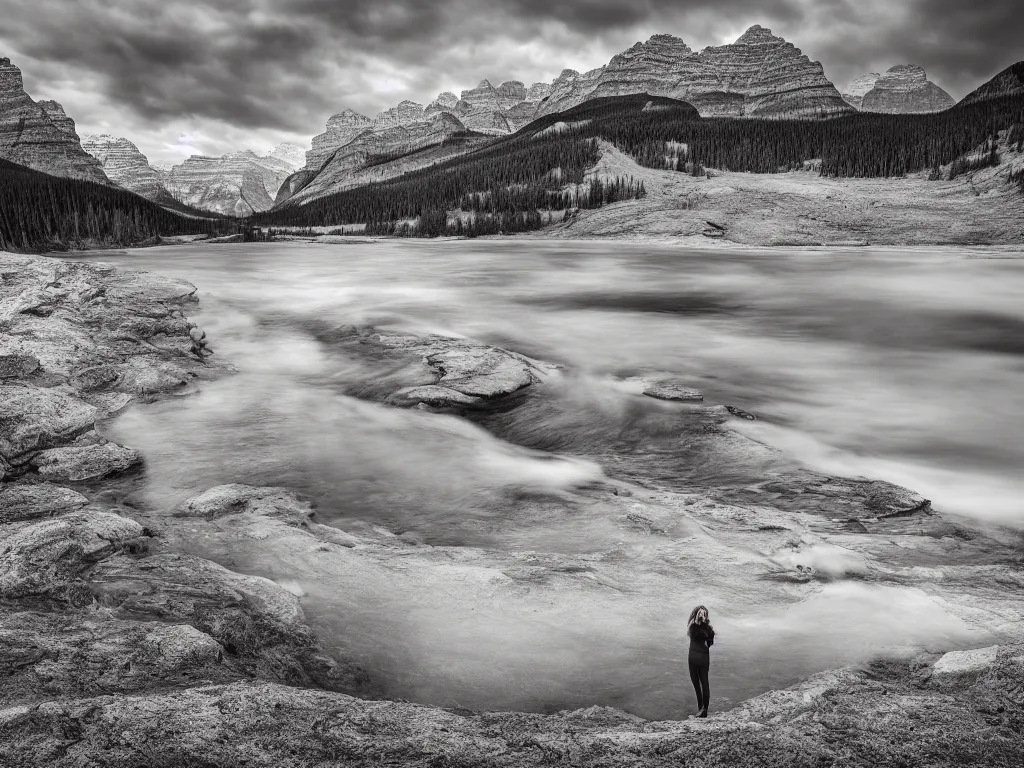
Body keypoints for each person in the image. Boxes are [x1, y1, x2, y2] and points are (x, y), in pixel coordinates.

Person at [687, 604, 715, 717]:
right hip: (704, 658)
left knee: (697, 685)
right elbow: (710, 643)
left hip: (692, 657)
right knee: (705, 683)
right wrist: (704, 623)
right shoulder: (708, 630)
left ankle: (700, 708)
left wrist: (697, 617)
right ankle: (704, 710)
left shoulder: (692, 627)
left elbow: (690, 631)